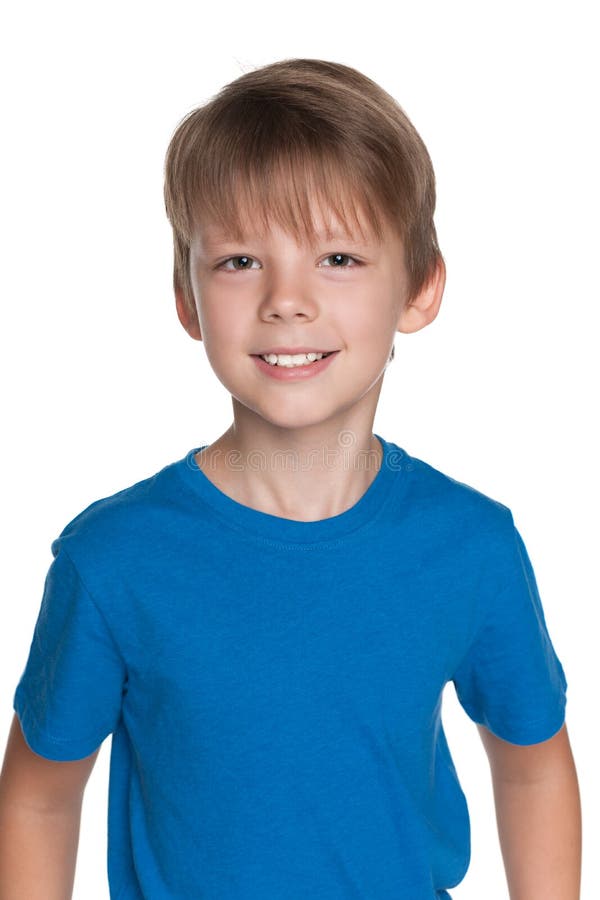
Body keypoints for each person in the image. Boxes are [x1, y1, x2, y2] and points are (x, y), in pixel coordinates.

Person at [0, 58, 581, 899]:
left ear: (419, 289)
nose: (286, 300)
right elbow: (39, 800)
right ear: (187, 297)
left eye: (338, 256)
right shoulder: (114, 561)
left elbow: (532, 768)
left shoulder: (471, 548)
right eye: (239, 262)